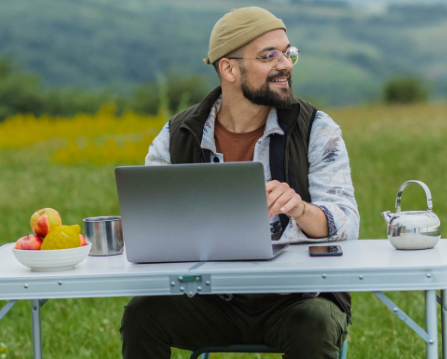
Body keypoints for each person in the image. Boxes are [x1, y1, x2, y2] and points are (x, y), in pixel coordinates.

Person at [120, 7, 360, 359]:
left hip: (298, 299)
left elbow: (347, 222)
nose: (286, 65)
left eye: (288, 52)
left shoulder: (317, 128)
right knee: (142, 316)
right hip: (208, 300)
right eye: (269, 56)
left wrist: (301, 208)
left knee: (316, 323)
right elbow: (147, 221)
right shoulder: (178, 134)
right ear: (229, 68)